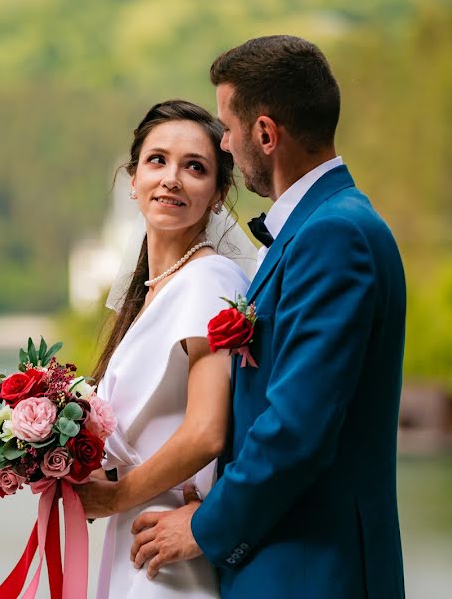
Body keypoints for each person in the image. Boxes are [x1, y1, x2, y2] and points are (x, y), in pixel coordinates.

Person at [129, 35, 407, 598]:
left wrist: (206, 528)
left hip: (310, 572)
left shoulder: (334, 235)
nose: (225, 145)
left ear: (264, 133)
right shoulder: (324, 226)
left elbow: (298, 427)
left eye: (227, 129)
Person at [74, 99, 255, 598]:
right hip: (137, 528)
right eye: (157, 161)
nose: (171, 178)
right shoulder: (153, 292)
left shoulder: (208, 280)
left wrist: (113, 499)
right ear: (132, 181)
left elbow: (205, 433)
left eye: (194, 167)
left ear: (219, 196)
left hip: (166, 532)